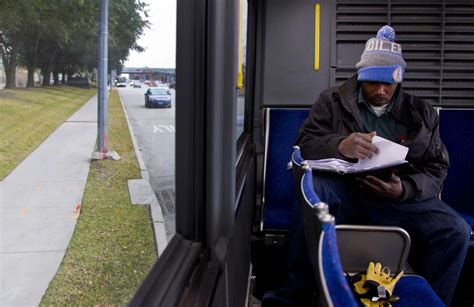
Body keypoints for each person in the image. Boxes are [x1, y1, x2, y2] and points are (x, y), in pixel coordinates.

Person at [292, 25, 471, 306]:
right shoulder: (333, 101)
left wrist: (405, 189)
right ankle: (291, 295)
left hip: (396, 196)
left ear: (399, 81)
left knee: (455, 231)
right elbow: (303, 147)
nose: (381, 91)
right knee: (313, 198)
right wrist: (339, 145)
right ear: (361, 77)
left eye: (389, 84)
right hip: (344, 189)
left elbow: (436, 168)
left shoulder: (421, 113)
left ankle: (425, 298)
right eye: (373, 82)